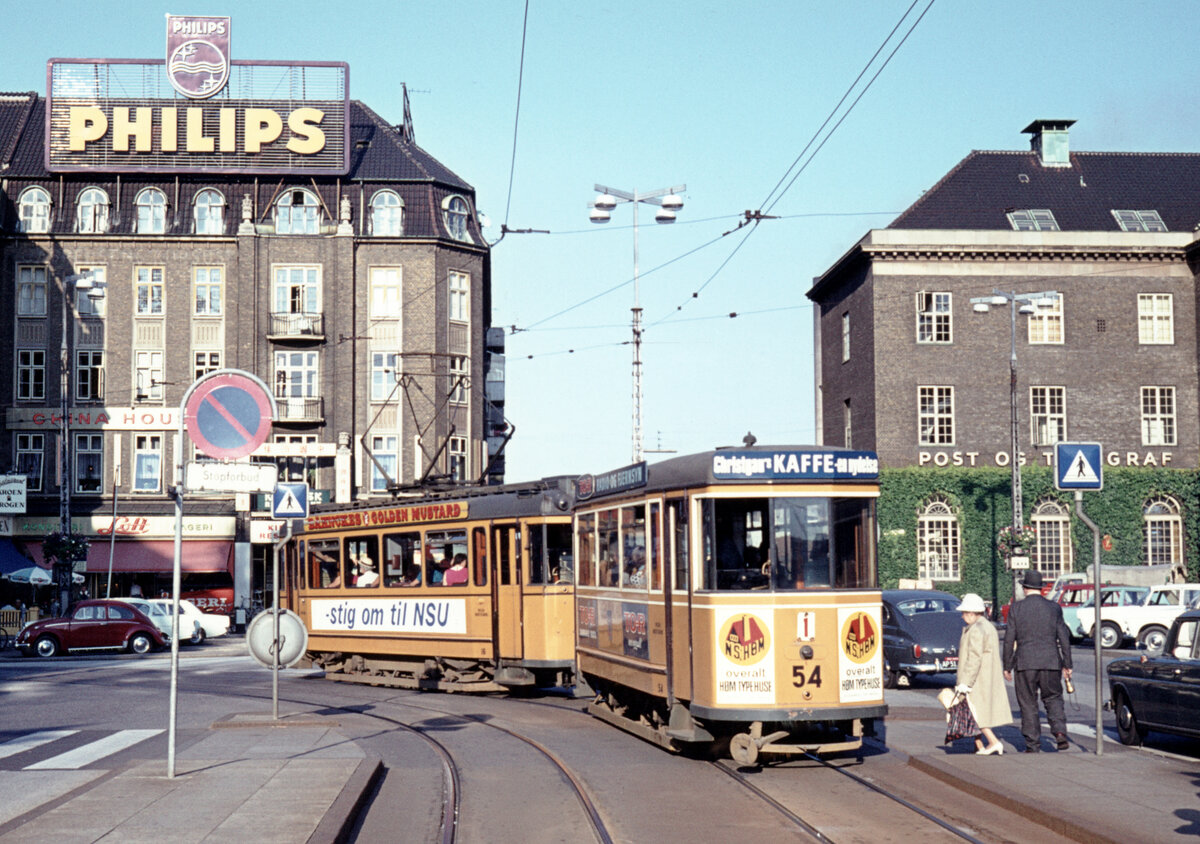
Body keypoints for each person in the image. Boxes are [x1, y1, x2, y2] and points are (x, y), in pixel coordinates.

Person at [1003, 569, 1073, 752]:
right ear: (1041, 589)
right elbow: (1063, 637)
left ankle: (1032, 744)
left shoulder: (1016, 609)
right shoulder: (1054, 608)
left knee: (1028, 703)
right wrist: (1067, 663)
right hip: (1051, 661)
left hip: (1025, 662)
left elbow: (1010, 639)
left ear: (1025, 588)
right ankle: (1059, 733)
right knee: (1054, 698)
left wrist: (1007, 665)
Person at [953, 593, 1010, 755]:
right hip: (986, 676)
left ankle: (993, 742)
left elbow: (974, 658)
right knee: (974, 713)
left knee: (975, 712)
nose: (962, 616)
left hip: (977, 679)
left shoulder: (975, 630)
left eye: (964, 612)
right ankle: (979, 745)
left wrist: (965, 682)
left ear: (971, 613)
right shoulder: (987, 626)